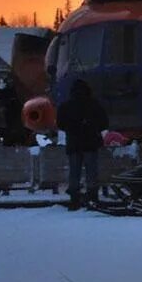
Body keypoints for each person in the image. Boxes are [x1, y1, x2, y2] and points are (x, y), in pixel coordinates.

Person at [56, 79, 109, 210]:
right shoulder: (93, 104)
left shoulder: (66, 106)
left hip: (74, 143)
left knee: (74, 173)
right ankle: (92, 197)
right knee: (91, 172)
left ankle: (74, 199)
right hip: (90, 143)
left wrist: (73, 128)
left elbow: (60, 124)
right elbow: (104, 122)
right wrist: (91, 127)